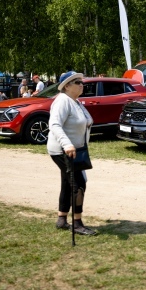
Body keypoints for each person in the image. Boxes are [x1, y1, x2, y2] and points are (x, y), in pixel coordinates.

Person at [47, 71, 97, 235]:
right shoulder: (62, 101)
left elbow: (87, 121)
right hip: (63, 150)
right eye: (77, 82)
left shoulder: (75, 101)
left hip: (76, 150)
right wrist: (67, 144)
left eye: (82, 81)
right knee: (79, 184)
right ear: (67, 86)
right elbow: (54, 124)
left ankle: (62, 219)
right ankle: (77, 223)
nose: (82, 84)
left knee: (68, 183)